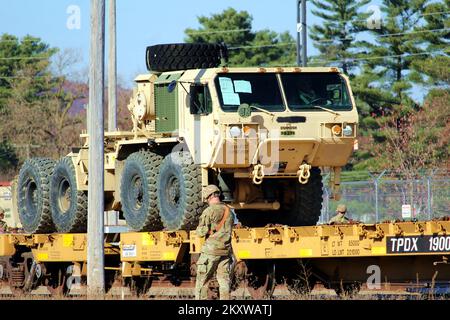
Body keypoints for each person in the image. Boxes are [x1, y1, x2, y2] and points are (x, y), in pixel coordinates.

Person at [195, 185, 234, 300]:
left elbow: (201, 232)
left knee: (202, 282)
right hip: (225, 251)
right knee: (224, 282)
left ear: (210, 196)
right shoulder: (229, 210)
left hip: (210, 252)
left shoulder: (209, 211)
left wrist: (199, 229)